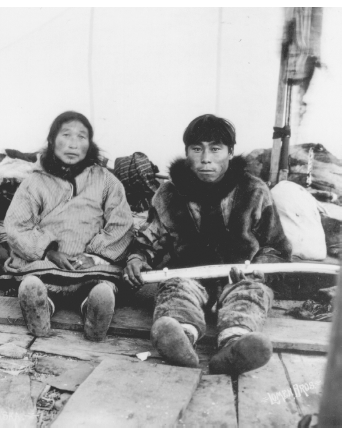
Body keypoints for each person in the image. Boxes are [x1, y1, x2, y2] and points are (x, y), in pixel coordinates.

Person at [123, 114, 291, 375]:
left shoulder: (254, 191)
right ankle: (180, 339)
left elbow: (275, 247)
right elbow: (149, 239)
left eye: (215, 149)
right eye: (196, 149)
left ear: (230, 152)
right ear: (187, 152)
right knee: (175, 291)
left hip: (239, 277)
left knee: (250, 294)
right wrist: (137, 258)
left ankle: (234, 346)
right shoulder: (168, 194)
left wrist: (260, 267)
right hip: (190, 275)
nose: (205, 159)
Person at [4, 111, 133, 341]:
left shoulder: (105, 180)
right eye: (66, 135)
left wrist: (95, 256)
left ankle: (93, 309)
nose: (74, 144)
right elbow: (17, 226)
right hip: (46, 264)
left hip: (90, 267)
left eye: (82, 137)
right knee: (35, 282)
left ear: (89, 144)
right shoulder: (34, 182)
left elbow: (121, 222)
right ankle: (42, 308)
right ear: (52, 141)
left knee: (101, 286)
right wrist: (49, 252)